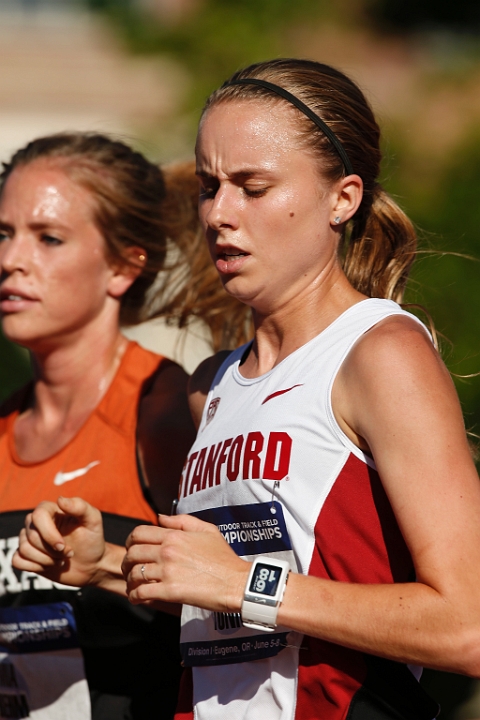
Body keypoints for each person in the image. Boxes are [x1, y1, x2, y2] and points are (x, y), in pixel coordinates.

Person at [13, 59, 480, 720]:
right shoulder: (214, 384)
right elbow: (228, 601)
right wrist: (109, 566)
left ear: (342, 198)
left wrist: (240, 583)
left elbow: (468, 627)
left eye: (252, 187)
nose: (219, 214)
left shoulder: (379, 352)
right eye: (210, 186)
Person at [0, 132, 249, 720]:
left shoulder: (166, 415)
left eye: (48, 238)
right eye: (4, 234)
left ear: (123, 265)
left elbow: (247, 608)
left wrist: (108, 566)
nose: (11, 259)